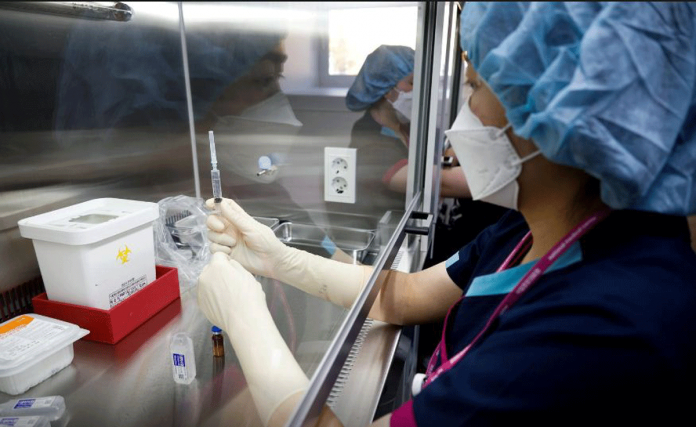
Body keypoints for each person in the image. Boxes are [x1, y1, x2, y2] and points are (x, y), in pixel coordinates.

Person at [198, 2, 696, 426]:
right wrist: (279, 259)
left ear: (558, 109)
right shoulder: (528, 228)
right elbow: (406, 296)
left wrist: (247, 321)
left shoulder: (607, 324)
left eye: (476, 86)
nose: (464, 112)